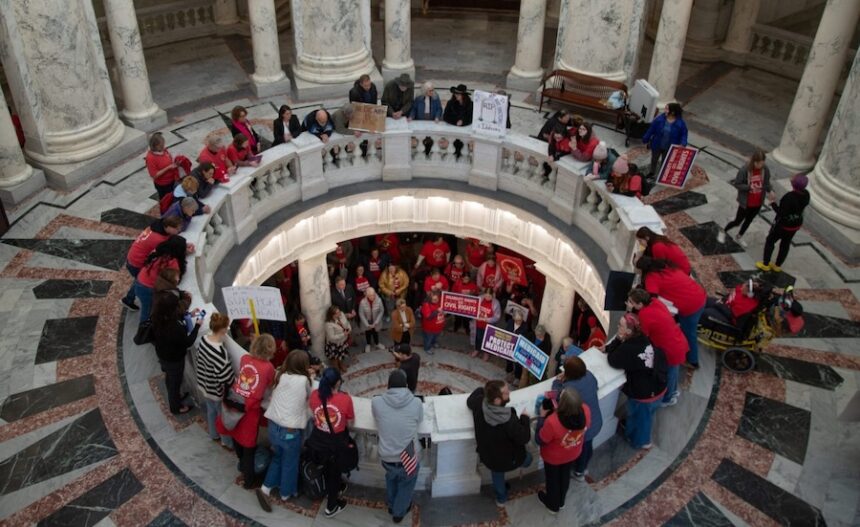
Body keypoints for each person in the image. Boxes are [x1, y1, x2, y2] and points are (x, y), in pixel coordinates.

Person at [217, 334, 276, 490]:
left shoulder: (244, 359)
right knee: (249, 446)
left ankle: (242, 465)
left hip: (236, 404)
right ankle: (249, 481)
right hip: (250, 411)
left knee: (237, 438)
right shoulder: (268, 367)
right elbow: (270, 384)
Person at [604, 313, 668, 449]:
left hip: (645, 394)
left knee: (641, 420)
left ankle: (641, 441)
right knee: (643, 416)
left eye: (620, 325)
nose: (617, 327)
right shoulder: (642, 338)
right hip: (658, 385)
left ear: (628, 331)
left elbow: (613, 359)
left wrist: (617, 340)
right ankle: (632, 430)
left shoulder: (629, 348)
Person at [466, 380, 531, 506]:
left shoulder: (479, 404)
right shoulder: (509, 420)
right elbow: (524, 438)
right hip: (509, 458)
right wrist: (525, 418)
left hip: (490, 456)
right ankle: (522, 467)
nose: (509, 393)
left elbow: (470, 401)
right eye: (506, 393)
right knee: (528, 459)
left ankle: (502, 498)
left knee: (497, 475)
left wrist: (484, 390)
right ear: (497, 401)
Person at [260, 350, 312, 504]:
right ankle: (285, 492)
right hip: (289, 430)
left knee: (277, 457)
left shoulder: (279, 375)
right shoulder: (305, 381)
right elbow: (308, 397)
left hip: (273, 426)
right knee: (290, 461)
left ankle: (266, 487)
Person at [372, 369, 423, 523]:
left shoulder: (376, 402)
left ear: (388, 386)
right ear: (406, 385)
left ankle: (392, 504)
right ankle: (398, 512)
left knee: (391, 479)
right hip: (408, 456)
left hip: (387, 456)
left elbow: (376, 417)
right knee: (406, 485)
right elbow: (419, 420)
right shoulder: (416, 402)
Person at [636, 257, 706, 371]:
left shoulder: (652, 278)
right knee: (689, 331)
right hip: (699, 295)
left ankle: (692, 361)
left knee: (689, 333)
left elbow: (650, 299)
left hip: (690, 307)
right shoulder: (668, 267)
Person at [626, 288, 688, 407]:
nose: (630, 304)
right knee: (674, 371)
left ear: (640, 304)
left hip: (669, 349)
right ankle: (673, 392)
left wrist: (630, 311)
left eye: (632, 302)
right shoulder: (655, 302)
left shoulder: (644, 314)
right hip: (677, 341)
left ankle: (668, 398)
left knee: (669, 374)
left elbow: (642, 335)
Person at [306, 368, 355, 518]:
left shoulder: (314, 395)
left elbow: (314, 414)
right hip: (335, 444)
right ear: (338, 382)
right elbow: (351, 423)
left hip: (318, 441)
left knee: (327, 468)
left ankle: (335, 487)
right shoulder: (345, 399)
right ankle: (331, 507)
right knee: (334, 473)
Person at [535, 388, 590, 513]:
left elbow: (540, 439)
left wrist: (541, 417)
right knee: (565, 476)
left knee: (552, 480)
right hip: (572, 452)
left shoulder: (553, 421)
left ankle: (552, 505)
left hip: (553, 457)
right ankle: (561, 502)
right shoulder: (586, 410)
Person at [551, 357, 602, 480]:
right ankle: (582, 466)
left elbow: (558, 398)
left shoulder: (569, 388)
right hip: (595, 420)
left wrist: (557, 382)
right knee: (588, 446)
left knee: (583, 449)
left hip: (584, 428)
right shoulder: (589, 375)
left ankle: (580, 471)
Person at [151, 291, 201, 414]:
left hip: (164, 354)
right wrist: (197, 326)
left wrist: (189, 314)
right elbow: (188, 342)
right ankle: (176, 407)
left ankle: (175, 396)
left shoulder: (158, 317)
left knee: (170, 378)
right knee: (175, 382)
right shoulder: (173, 328)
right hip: (173, 359)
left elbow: (177, 317)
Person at [122, 216, 183, 311]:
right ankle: (129, 300)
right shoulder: (159, 240)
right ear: (168, 227)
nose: (179, 231)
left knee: (139, 280)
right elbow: (167, 250)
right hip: (137, 262)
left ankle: (128, 299)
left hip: (132, 257)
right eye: (177, 228)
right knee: (141, 281)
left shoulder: (156, 226)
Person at [718, 148, 775, 247]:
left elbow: (766, 183)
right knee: (737, 221)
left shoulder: (765, 169)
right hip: (746, 202)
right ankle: (723, 231)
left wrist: (770, 190)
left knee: (748, 221)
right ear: (754, 161)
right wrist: (749, 187)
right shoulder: (744, 170)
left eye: (762, 163)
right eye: (759, 163)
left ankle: (739, 237)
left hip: (758, 202)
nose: (761, 166)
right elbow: (737, 184)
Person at [757, 173, 810, 273]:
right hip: (795, 225)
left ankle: (765, 264)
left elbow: (781, 212)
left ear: (794, 184)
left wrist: (772, 203)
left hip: (783, 225)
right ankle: (777, 265)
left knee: (770, 241)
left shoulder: (789, 197)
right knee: (785, 244)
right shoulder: (806, 194)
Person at [196, 312, 235, 448]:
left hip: (205, 384)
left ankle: (214, 434)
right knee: (221, 416)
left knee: (211, 411)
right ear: (223, 329)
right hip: (216, 390)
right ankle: (226, 441)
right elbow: (226, 378)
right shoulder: (220, 352)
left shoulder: (204, 339)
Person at [134, 235, 188, 324]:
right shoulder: (172, 263)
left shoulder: (160, 252)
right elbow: (174, 280)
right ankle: (144, 332)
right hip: (148, 288)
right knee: (147, 312)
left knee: (146, 308)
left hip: (139, 281)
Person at [642, 102, 688, 177]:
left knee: (666, 162)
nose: (665, 110)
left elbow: (684, 134)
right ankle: (652, 172)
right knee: (654, 160)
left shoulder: (681, 123)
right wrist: (645, 139)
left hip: (670, 147)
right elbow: (651, 130)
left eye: (666, 109)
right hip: (657, 145)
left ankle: (662, 174)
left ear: (672, 112)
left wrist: (683, 143)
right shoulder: (659, 119)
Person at [146, 132, 180, 198]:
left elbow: (167, 156)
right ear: (154, 146)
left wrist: (174, 160)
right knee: (166, 200)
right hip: (163, 185)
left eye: (163, 145)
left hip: (172, 180)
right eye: (161, 146)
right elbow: (154, 175)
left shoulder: (162, 150)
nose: (163, 147)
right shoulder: (150, 158)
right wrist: (168, 167)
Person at [471, 288, 501, 360]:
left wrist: (486, 319)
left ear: (493, 295)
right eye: (486, 295)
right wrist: (475, 316)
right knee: (478, 337)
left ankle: (486, 353)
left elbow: (497, 317)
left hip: (489, 325)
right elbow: (473, 308)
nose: (487, 297)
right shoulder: (480, 299)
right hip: (479, 323)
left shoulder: (496, 303)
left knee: (488, 339)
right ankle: (477, 349)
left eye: (489, 296)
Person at [504, 311, 532, 385]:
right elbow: (506, 331)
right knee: (508, 360)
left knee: (518, 363)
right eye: (517, 320)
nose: (519, 322)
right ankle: (509, 372)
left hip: (519, 347)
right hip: (510, 345)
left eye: (520, 320)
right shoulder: (510, 322)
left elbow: (527, 337)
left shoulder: (526, 326)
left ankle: (517, 377)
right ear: (513, 319)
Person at [324, 305, 352, 373]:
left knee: (341, 355)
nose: (340, 313)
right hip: (334, 344)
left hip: (342, 341)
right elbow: (331, 337)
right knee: (335, 358)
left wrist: (349, 329)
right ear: (332, 315)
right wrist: (343, 334)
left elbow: (347, 323)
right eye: (337, 313)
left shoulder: (341, 314)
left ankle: (341, 364)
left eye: (339, 311)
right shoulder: (328, 324)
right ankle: (336, 369)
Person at [359, 287, 385, 353]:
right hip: (367, 321)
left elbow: (381, 311)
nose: (372, 297)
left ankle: (377, 343)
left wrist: (376, 322)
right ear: (367, 295)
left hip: (376, 320)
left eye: (373, 295)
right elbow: (361, 313)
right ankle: (368, 344)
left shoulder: (379, 300)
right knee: (368, 333)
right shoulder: (362, 302)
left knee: (375, 332)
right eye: (370, 295)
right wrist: (367, 324)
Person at [420, 291, 445, 355]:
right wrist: (437, 311)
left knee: (435, 337)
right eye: (434, 299)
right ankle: (427, 348)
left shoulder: (440, 303)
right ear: (430, 299)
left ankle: (434, 343)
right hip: (429, 329)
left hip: (438, 328)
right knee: (428, 339)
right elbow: (428, 317)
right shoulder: (426, 305)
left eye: (437, 299)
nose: (436, 301)